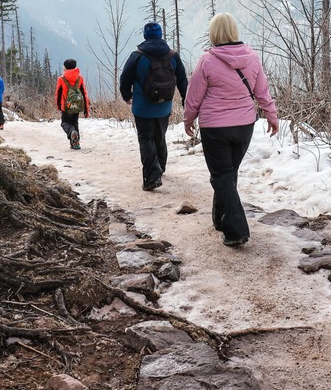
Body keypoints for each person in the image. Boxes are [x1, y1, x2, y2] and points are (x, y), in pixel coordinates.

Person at [182, 13, 279, 247]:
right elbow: (262, 91)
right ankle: (220, 218)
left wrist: (188, 120)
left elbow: (193, 96)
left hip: (215, 128)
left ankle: (236, 230)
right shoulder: (252, 57)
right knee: (228, 172)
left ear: (214, 33)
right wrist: (271, 116)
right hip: (244, 125)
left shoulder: (207, 60)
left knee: (222, 174)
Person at [119, 22, 188, 191]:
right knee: (159, 136)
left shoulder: (137, 55)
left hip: (142, 107)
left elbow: (124, 78)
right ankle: (161, 167)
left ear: (145, 35)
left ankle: (151, 177)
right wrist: (187, 99)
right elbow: (182, 79)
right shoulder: (172, 55)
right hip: (164, 106)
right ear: (161, 35)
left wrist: (127, 96)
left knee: (146, 139)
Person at [55, 58, 90, 150]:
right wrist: (86, 109)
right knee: (75, 123)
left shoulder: (61, 79)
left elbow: (58, 94)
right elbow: (84, 94)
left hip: (66, 106)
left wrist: (58, 105)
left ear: (65, 67)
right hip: (77, 105)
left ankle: (71, 133)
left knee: (65, 123)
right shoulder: (80, 78)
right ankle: (76, 143)